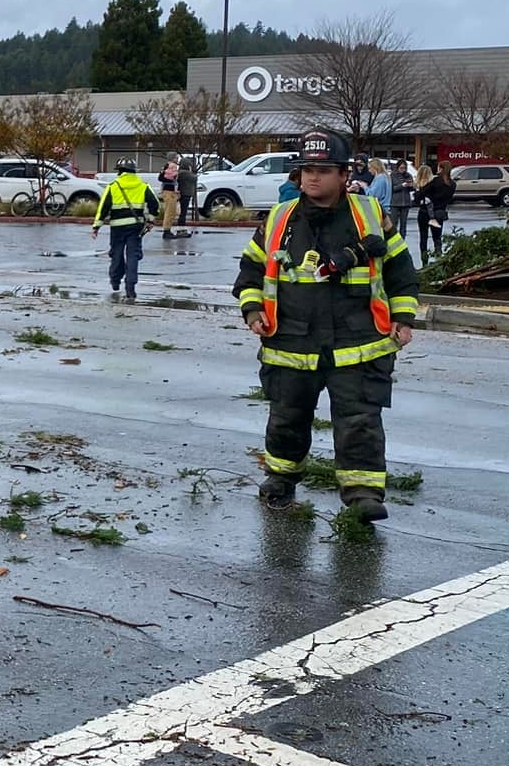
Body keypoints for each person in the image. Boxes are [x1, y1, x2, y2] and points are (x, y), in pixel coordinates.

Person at [235, 130, 420, 522]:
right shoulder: (279, 218)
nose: (312, 178)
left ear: (343, 174)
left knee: (359, 420)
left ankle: (363, 494)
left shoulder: (369, 216)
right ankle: (281, 480)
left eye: (322, 170)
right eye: (306, 170)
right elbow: (250, 272)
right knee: (287, 416)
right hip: (290, 340)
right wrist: (253, 312)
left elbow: (402, 271)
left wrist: (403, 319)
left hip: (359, 340)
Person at [91, 157, 159, 303]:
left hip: (117, 227)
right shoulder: (143, 186)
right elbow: (155, 204)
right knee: (133, 255)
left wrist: (96, 226)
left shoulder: (113, 186)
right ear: (134, 171)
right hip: (136, 227)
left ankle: (115, 281)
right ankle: (130, 288)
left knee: (116, 253)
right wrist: (151, 219)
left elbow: (103, 208)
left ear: (120, 171)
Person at [418, 164, 453, 262]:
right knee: (437, 238)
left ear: (441, 169)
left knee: (423, 237)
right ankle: (439, 260)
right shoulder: (452, 184)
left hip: (425, 212)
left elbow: (421, 194)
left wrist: (418, 197)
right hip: (440, 212)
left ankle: (424, 261)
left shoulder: (435, 182)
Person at [157, 157, 181, 240]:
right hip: (169, 192)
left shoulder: (166, 167)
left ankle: (168, 230)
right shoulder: (172, 166)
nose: (177, 159)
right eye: (176, 157)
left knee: (171, 212)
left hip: (170, 192)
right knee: (169, 212)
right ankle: (166, 231)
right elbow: (170, 177)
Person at [178, 155, 199, 226]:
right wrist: (192, 172)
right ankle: (181, 226)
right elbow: (195, 178)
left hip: (182, 193)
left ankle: (181, 225)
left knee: (182, 210)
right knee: (184, 211)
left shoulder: (179, 172)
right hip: (186, 193)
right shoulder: (186, 173)